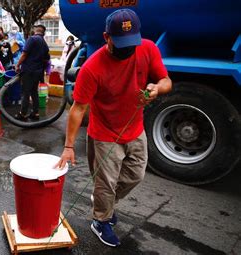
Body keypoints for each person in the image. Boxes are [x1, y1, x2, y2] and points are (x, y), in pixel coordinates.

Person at [55, 9, 172, 247]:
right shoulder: (92, 67)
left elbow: (166, 80)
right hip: (105, 134)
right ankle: (101, 219)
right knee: (105, 184)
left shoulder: (148, 49)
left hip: (135, 129)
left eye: (131, 43)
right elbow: (78, 108)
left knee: (135, 176)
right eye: (120, 43)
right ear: (106, 37)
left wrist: (158, 88)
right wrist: (68, 146)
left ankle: (102, 201)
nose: (127, 49)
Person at [15, 25, 50, 121]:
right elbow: (47, 59)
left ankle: (23, 113)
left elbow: (24, 54)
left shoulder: (32, 39)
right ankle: (35, 113)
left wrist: (17, 65)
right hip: (38, 72)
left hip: (28, 71)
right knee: (34, 92)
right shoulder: (45, 44)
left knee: (25, 92)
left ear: (36, 30)